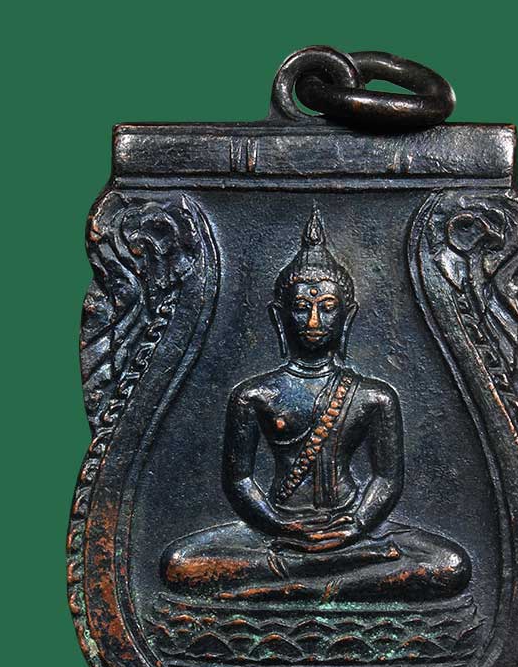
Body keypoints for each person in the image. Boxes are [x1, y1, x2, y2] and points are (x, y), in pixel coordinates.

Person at [161, 207, 470, 602]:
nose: (312, 321)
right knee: (179, 563)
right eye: (301, 307)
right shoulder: (254, 395)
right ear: (279, 316)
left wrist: (356, 526)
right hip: (278, 530)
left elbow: (386, 479)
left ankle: (308, 583)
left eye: (327, 307)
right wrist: (279, 526)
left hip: (352, 527)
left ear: (347, 316)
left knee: (450, 564)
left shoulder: (373, 397)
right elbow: (239, 481)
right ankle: (335, 577)